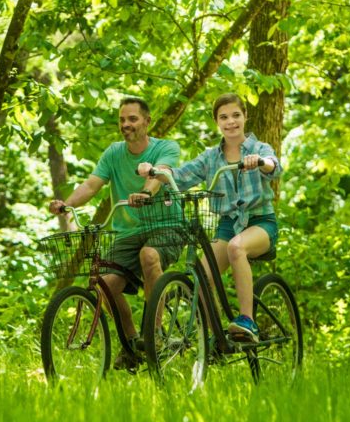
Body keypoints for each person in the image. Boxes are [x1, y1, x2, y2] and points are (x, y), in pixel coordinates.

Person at [49, 97, 182, 370]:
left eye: (132, 119)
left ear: (147, 121)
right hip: (127, 232)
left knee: (149, 256)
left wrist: (145, 193)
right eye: (122, 120)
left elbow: (159, 175)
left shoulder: (166, 148)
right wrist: (67, 204)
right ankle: (132, 344)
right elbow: (91, 185)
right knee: (104, 285)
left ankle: (154, 334)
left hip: (166, 226)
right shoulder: (113, 153)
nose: (126, 125)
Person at [138, 93, 281, 343]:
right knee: (201, 278)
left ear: (245, 117)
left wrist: (260, 162)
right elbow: (180, 177)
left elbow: (274, 166)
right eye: (224, 117)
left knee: (237, 248)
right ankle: (217, 339)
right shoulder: (211, 157)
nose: (231, 122)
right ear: (217, 122)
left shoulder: (259, 149)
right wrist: (154, 171)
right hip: (229, 226)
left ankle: (247, 320)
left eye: (236, 115)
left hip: (260, 222)